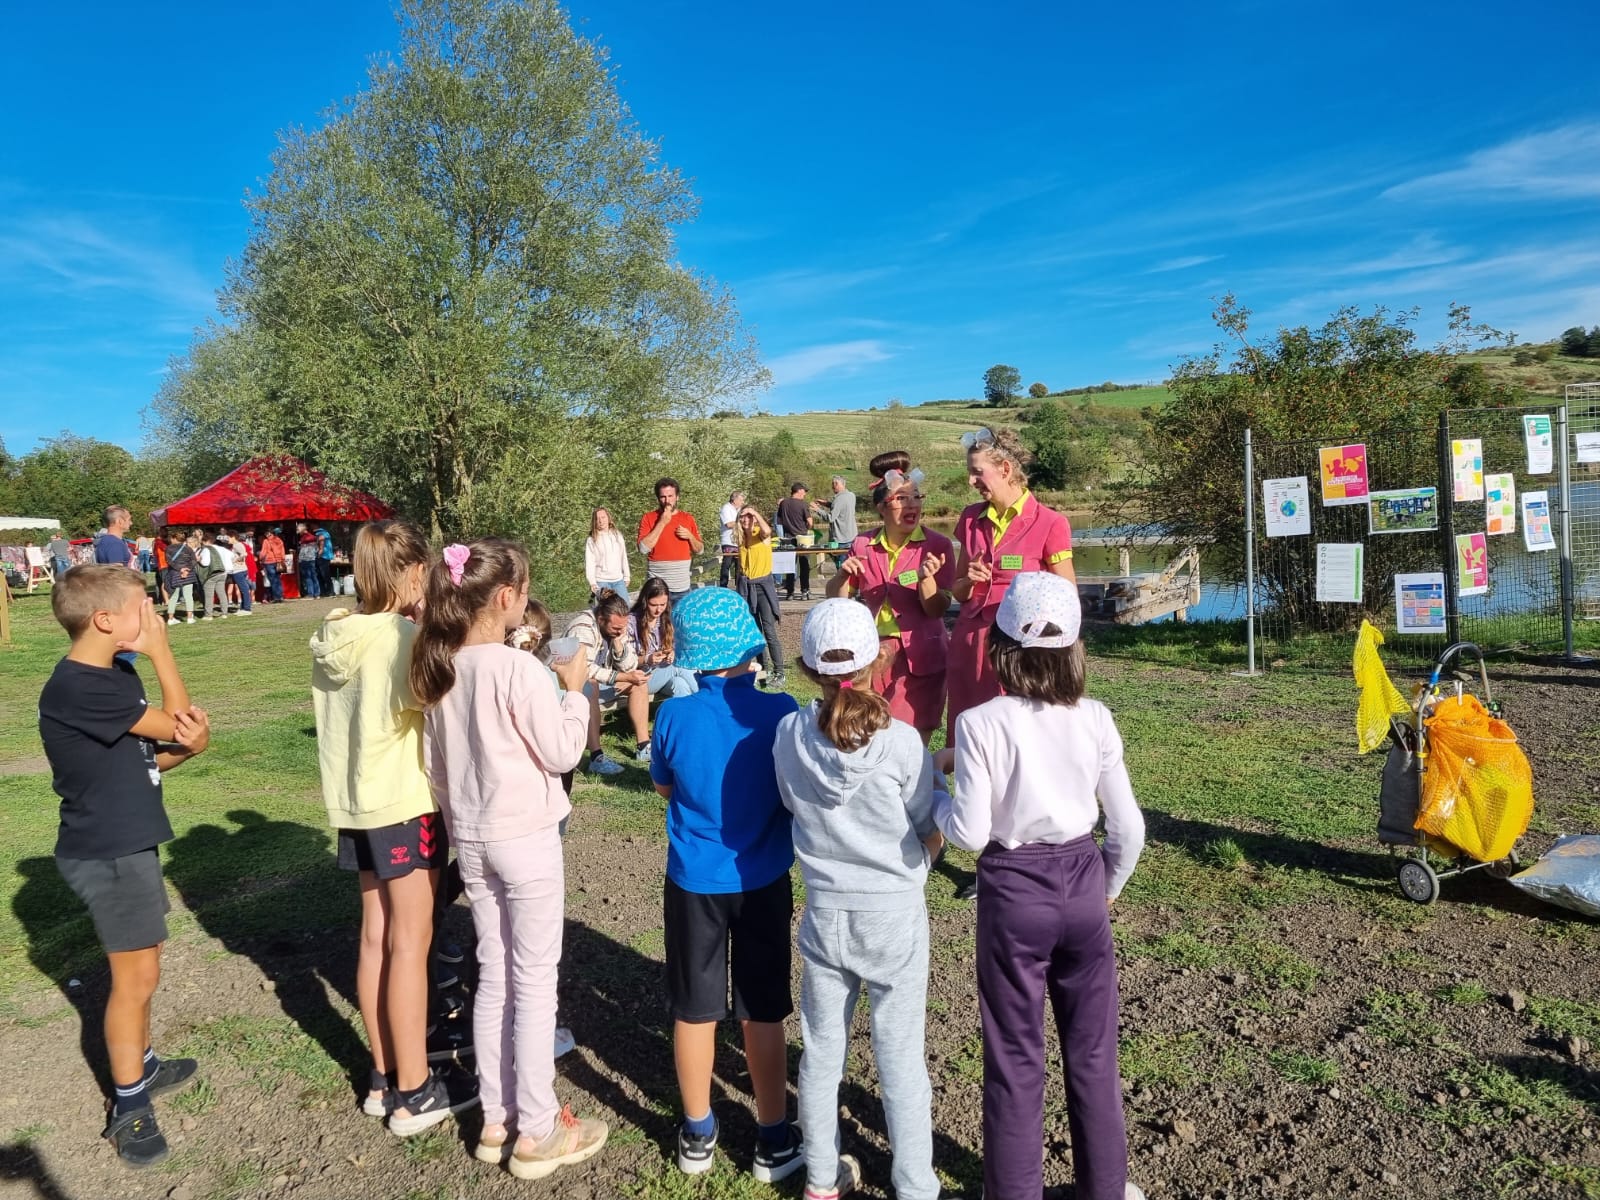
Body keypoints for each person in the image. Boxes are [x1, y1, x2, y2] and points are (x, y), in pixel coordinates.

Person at [933, 572, 1146, 1200]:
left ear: (999, 649)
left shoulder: (980, 722)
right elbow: (1128, 827)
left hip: (1013, 889)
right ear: (1076, 648)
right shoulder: (1096, 717)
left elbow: (969, 833)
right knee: (1092, 1052)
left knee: (1016, 1056)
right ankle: (1104, 1188)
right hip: (1083, 880)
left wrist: (936, 795)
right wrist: (1107, 886)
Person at [412, 538, 610, 1179]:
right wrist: (574, 692)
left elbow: (434, 769)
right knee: (534, 981)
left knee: (495, 973)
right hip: (525, 837)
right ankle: (538, 1127)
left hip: (471, 838)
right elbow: (561, 753)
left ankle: (497, 1119)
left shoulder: (442, 670)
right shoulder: (519, 670)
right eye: (524, 594)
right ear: (506, 599)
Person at [38, 566, 211, 1166]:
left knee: (147, 965)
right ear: (106, 620)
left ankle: (140, 1062)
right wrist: (164, 655)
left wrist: (186, 750)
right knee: (133, 981)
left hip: (128, 842)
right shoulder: (82, 685)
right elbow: (179, 720)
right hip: (108, 852)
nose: (153, 619)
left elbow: (148, 760)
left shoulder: (112, 672)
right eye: (144, 609)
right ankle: (130, 1104)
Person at [774, 599, 946, 1200]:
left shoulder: (789, 734)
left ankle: (821, 1177)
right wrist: (937, 836)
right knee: (900, 1057)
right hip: (894, 912)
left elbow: (794, 803)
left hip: (825, 908)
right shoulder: (902, 743)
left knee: (822, 1052)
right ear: (881, 659)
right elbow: (925, 819)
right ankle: (915, 1184)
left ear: (804, 665)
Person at [310, 521, 475, 1136]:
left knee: (375, 940)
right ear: (410, 575)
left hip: (355, 807)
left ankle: (384, 1078)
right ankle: (415, 1089)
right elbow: (437, 698)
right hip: (404, 806)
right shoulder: (401, 637)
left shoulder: (333, 634)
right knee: (412, 944)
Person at [648, 588, 803, 1180]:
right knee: (761, 1010)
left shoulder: (673, 715)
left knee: (694, 1010)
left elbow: (665, 788)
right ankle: (772, 1136)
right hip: (763, 879)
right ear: (749, 647)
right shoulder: (781, 712)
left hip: (693, 882)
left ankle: (697, 1132)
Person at [947, 427, 1076, 746]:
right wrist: (968, 581)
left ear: (1005, 470)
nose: (971, 482)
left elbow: (1067, 596)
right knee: (970, 735)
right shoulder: (969, 519)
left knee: (1016, 740)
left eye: (977, 473)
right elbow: (957, 591)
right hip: (969, 643)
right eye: (970, 473)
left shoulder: (1051, 523)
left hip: (1021, 650)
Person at [827, 462, 955, 744]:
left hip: (920, 654)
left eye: (916, 497)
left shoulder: (938, 546)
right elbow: (838, 601)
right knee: (869, 732)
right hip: (871, 655)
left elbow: (937, 609)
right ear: (882, 507)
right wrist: (842, 574)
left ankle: (915, 786)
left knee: (908, 737)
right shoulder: (862, 544)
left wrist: (926, 580)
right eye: (901, 498)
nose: (912, 504)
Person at [564, 590, 651, 768]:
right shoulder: (583, 628)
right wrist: (622, 676)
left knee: (639, 683)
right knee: (591, 685)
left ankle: (643, 746)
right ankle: (596, 756)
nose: (620, 631)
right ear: (601, 619)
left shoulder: (618, 628)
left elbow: (630, 665)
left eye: (622, 628)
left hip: (606, 679)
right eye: (616, 628)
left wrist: (619, 644)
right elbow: (584, 668)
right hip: (573, 685)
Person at [626, 578, 700, 724]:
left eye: (663, 604)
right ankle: (709, 701)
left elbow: (677, 645)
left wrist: (671, 651)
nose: (659, 609)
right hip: (640, 678)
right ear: (645, 601)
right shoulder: (631, 622)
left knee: (680, 684)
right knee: (678, 666)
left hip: (662, 674)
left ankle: (685, 724)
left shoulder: (666, 618)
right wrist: (647, 659)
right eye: (654, 605)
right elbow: (625, 660)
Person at [735, 505, 784, 687]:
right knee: (756, 633)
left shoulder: (760, 535)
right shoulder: (740, 539)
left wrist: (754, 512)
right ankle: (763, 671)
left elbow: (767, 530)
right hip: (748, 587)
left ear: (754, 518)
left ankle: (779, 672)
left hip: (763, 587)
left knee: (769, 631)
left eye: (748, 517)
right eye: (742, 518)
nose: (745, 520)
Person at [637, 478, 702, 603]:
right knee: (656, 623)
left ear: (677, 497)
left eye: (670, 496)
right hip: (657, 587)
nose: (667, 501)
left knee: (679, 622)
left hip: (681, 588)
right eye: (663, 497)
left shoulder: (687, 518)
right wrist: (662, 522)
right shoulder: (649, 518)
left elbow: (699, 550)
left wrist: (690, 536)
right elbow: (643, 549)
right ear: (658, 498)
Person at [775, 483, 814, 600]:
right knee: (804, 565)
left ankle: (790, 593)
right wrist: (806, 527)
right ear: (799, 491)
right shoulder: (802, 504)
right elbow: (810, 522)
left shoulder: (783, 503)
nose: (805, 494)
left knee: (790, 566)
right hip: (802, 538)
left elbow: (779, 521)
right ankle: (805, 591)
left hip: (788, 538)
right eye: (804, 491)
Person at [584, 507, 631, 602]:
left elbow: (623, 556)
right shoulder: (592, 539)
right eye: (597, 519)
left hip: (618, 580)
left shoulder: (617, 535)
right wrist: (592, 582)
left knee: (625, 607)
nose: (601, 521)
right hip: (602, 581)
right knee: (605, 610)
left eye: (603, 517)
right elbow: (590, 562)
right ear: (594, 521)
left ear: (608, 518)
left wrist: (627, 576)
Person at [813, 475, 858, 565]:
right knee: (850, 566)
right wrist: (826, 503)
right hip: (852, 537)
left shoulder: (839, 499)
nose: (832, 487)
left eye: (833, 485)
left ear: (836, 484)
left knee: (842, 568)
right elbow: (841, 508)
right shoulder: (851, 495)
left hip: (841, 540)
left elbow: (830, 518)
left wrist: (817, 510)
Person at [195, 531, 233, 620]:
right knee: (222, 593)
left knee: (209, 595)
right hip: (223, 573)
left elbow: (205, 563)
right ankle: (224, 613)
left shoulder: (206, 549)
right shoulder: (222, 548)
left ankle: (208, 615)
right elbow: (233, 555)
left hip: (211, 575)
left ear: (205, 541)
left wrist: (198, 559)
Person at [163, 531, 197, 625]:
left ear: (174, 538)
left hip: (175, 574)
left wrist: (180, 569)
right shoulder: (188, 549)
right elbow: (194, 560)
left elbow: (169, 561)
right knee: (188, 596)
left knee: (173, 596)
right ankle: (190, 617)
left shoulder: (168, 549)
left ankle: (170, 618)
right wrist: (187, 569)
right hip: (188, 574)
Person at [219, 531, 253, 616]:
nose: (228, 540)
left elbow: (244, 554)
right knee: (243, 590)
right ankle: (242, 607)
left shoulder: (237, 545)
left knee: (244, 589)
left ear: (233, 537)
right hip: (239, 570)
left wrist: (234, 560)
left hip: (239, 570)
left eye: (228, 538)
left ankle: (247, 609)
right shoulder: (236, 545)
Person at [93, 506, 137, 570]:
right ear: (120, 521)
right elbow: (116, 574)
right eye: (129, 519)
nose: (131, 523)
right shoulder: (114, 543)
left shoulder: (108, 541)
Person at [718, 490, 745, 589]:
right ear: (735, 499)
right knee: (727, 564)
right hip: (729, 541)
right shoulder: (726, 508)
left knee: (739, 566)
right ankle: (723, 586)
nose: (742, 502)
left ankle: (739, 587)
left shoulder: (738, 510)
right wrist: (741, 521)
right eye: (741, 500)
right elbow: (729, 524)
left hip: (739, 541)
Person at [259, 528, 287, 603]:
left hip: (269, 561)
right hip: (278, 562)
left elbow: (263, 552)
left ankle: (276, 597)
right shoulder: (279, 540)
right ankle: (280, 596)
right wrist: (282, 560)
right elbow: (282, 550)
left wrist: (260, 558)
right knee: (278, 580)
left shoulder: (266, 541)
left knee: (273, 580)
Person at [296, 523, 321, 599]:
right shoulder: (307, 537)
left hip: (307, 559)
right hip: (310, 558)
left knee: (309, 576)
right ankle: (316, 594)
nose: (297, 531)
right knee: (312, 576)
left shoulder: (307, 537)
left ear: (302, 529)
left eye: (298, 529)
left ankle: (311, 594)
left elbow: (309, 546)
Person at [315, 524, 336, 597]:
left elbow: (321, 546)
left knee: (324, 575)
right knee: (323, 575)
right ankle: (327, 592)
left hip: (323, 556)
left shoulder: (320, 534)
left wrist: (318, 555)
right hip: (327, 556)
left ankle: (329, 591)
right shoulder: (326, 533)